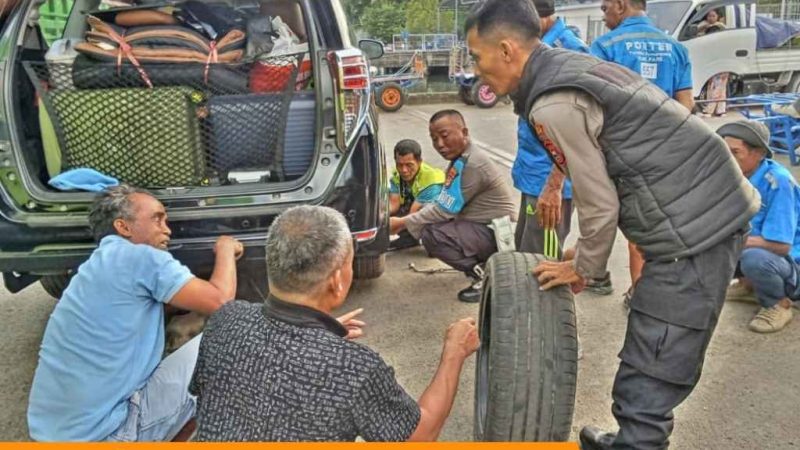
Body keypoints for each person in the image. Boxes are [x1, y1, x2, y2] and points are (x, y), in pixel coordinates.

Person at [464, 1, 759, 448]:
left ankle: (638, 440)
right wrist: (584, 254)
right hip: (695, 208)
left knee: (654, 361)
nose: (475, 70)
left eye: (475, 57)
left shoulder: (554, 102)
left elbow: (596, 200)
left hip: (697, 227)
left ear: (506, 50)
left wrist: (584, 267)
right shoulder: (567, 65)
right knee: (650, 333)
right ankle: (628, 440)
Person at [190, 205, 479, 441]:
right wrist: (454, 352)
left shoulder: (225, 319)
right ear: (337, 281)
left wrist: (318, 336)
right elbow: (419, 437)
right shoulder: (354, 368)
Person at [27, 185, 243, 441]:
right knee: (231, 336)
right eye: (157, 218)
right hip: (110, 433)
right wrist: (226, 248)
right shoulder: (141, 257)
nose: (167, 229)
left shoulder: (92, 270)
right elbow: (220, 300)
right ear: (124, 227)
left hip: (48, 435)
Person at [590, 0, 696, 302]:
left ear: (622, 5)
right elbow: (685, 104)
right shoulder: (676, 48)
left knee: (636, 223)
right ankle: (661, 288)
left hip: (623, 151)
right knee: (663, 219)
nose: (604, 14)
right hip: (666, 151)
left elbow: (593, 105)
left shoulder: (605, 46)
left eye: (605, 7)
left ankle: (640, 291)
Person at [390, 110, 517, 303]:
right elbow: (441, 201)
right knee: (424, 219)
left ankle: (485, 276)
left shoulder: (472, 163)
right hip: (479, 227)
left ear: (464, 132)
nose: (439, 144)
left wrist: (402, 223)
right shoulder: (460, 160)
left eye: (444, 136)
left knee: (432, 234)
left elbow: (444, 209)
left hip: (496, 233)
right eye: (434, 139)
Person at [511, 0, 587, 263]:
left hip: (550, 181)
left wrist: (555, 185)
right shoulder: (539, 49)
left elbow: (577, 130)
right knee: (526, 254)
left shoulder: (569, 54)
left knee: (541, 264)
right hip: (534, 176)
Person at [719, 120, 799, 333]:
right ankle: (748, 285)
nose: (728, 158)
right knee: (712, 240)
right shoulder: (735, 176)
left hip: (791, 261)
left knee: (753, 256)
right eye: (725, 151)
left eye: (735, 152)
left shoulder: (778, 182)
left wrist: (731, 240)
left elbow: (781, 246)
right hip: (760, 251)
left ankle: (779, 304)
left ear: (760, 153)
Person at [389, 139, 446, 250]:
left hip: (433, 215)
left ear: (419, 162)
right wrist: (379, 216)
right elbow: (393, 204)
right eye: (399, 165)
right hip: (415, 207)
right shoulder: (397, 176)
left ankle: (417, 239)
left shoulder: (431, 180)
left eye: (409, 165)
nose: (404, 170)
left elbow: (413, 214)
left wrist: (396, 225)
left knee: (420, 215)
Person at [697, 10, 728, 118]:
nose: (711, 18)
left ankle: (709, 111)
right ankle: (721, 110)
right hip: (715, 63)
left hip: (721, 63)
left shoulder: (720, 28)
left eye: (713, 16)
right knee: (717, 87)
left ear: (718, 17)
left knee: (716, 87)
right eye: (709, 16)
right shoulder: (704, 28)